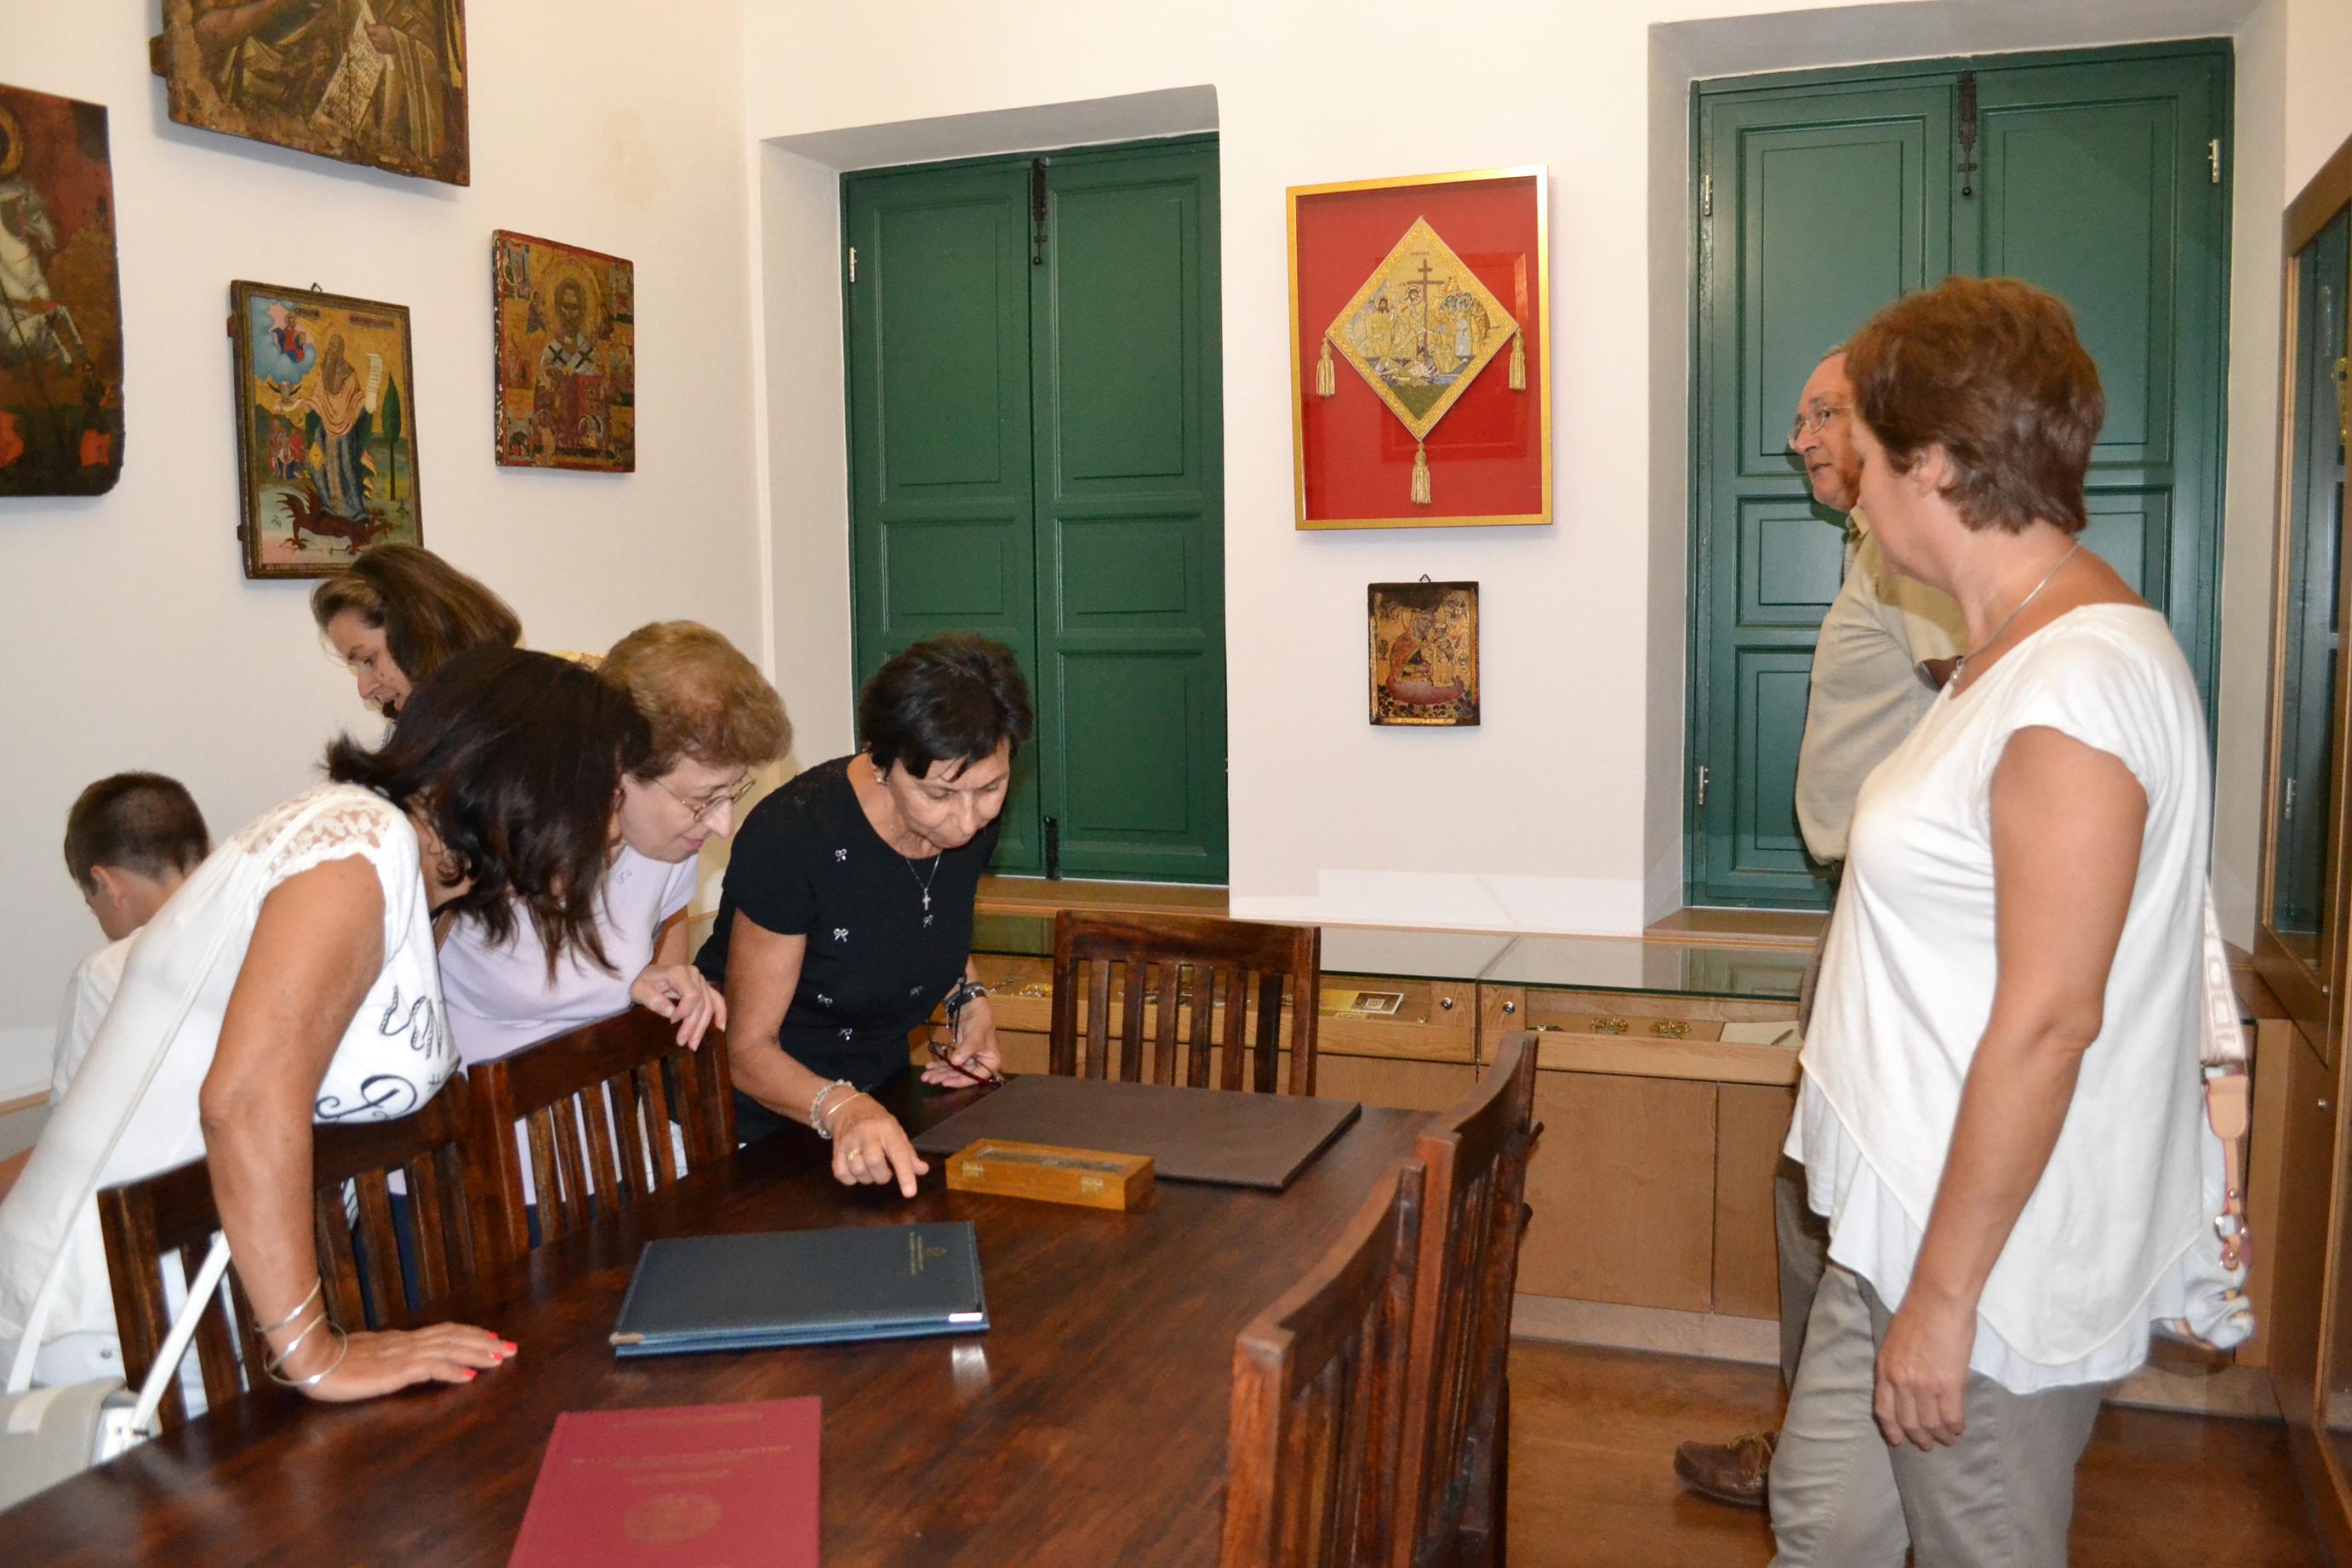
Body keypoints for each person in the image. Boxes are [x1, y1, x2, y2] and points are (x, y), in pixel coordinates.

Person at [1766, 277, 2213, 1566]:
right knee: (1826, 1521)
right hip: (1891, 1216)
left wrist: (1948, 1299)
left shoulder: (2073, 685)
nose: (1851, 466)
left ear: (1942, 465)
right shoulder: (2010, 647)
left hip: (1984, 1266)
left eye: (1876, 445)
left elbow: (2052, 1017)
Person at [0, 648, 648, 1404]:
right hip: (101, 1327)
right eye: (604, 789)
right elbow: (243, 1103)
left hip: (201, 1312)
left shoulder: (416, 871)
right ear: (532, 779)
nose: (615, 821)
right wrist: (316, 1353)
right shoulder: (356, 846)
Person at [1676, 348, 1966, 1508]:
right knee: (1823, 1192)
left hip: (1901, 919)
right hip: (1869, 909)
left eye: (1823, 414)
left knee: (1829, 1194)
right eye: (1798, 415)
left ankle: (1829, 1462)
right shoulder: (1874, 552)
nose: (1800, 437)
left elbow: (1973, 707)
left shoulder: (1917, 565)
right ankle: (1820, 1455)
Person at [698, 634, 1033, 1195]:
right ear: (883, 759)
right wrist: (844, 1107)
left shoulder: (969, 815)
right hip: (754, 1137)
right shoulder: (794, 837)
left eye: (991, 788)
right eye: (939, 794)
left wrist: (967, 998)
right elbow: (747, 1050)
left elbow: (920, 910)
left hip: (879, 1110)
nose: (967, 821)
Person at [439, 621, 791, 1066]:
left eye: (733, 791)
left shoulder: (672, 844)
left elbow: (633, 976)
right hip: (475, 1119)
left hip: (593, 1116)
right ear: (617, 770)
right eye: (704, 799)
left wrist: (645, 980)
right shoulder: (487, 843)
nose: (723, 824)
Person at [0, 777, 214, 1207]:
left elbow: (74, 1158)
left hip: (175, 1236)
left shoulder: (109, 974)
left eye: (89, 901)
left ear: (108, 883)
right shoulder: (263, 932)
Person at [310, 541, 522, 719]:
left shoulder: (524, 729)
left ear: (422, 632)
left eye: (368, 659)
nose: (364, 690)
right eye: (356, 667)